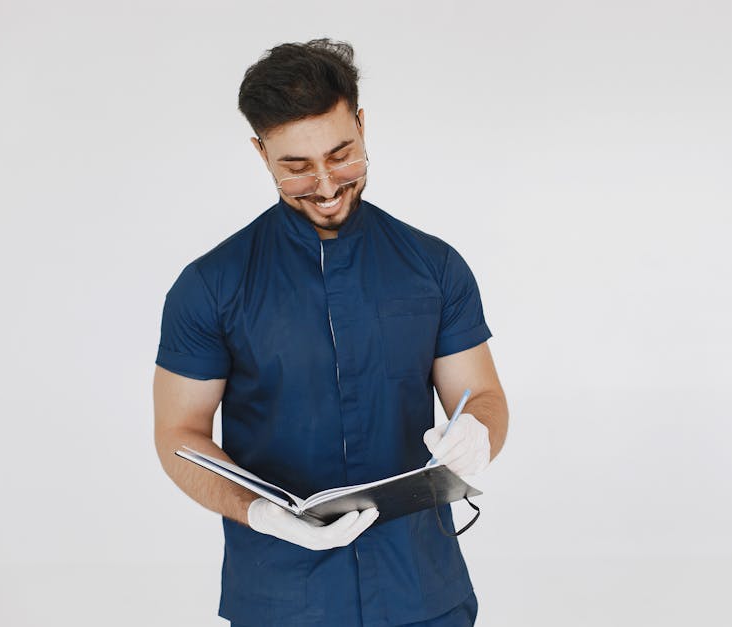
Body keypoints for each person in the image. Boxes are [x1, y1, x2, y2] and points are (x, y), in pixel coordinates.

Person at [153, 39, 508, 626]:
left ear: (363, 126)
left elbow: (485, 396)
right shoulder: (210, 286)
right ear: (260, 151)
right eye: (295, 166)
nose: (324, 185)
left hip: (423, 590)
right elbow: (178, 435)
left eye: (342, 155)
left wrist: (477, 433)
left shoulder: (435, 267)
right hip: (282, 601)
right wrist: (261, 513)